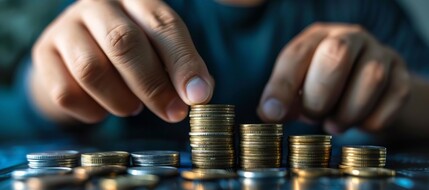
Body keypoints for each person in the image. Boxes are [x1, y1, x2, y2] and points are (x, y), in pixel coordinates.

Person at [27, 0, 429, 143]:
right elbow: (19, 105)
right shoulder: (119, 6)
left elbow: (422, 89)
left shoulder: (365, 8)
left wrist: (402, 97)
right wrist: (53, 87)